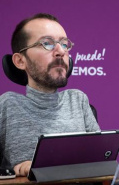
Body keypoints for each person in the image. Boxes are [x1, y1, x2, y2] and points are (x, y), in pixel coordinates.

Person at [0, 13, 100, 176]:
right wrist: (13, 171)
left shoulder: (77, 100)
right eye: (47, 43)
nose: (60, 51)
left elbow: (101, 161)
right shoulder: (7, 105)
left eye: (64, 44)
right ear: (20, 61)